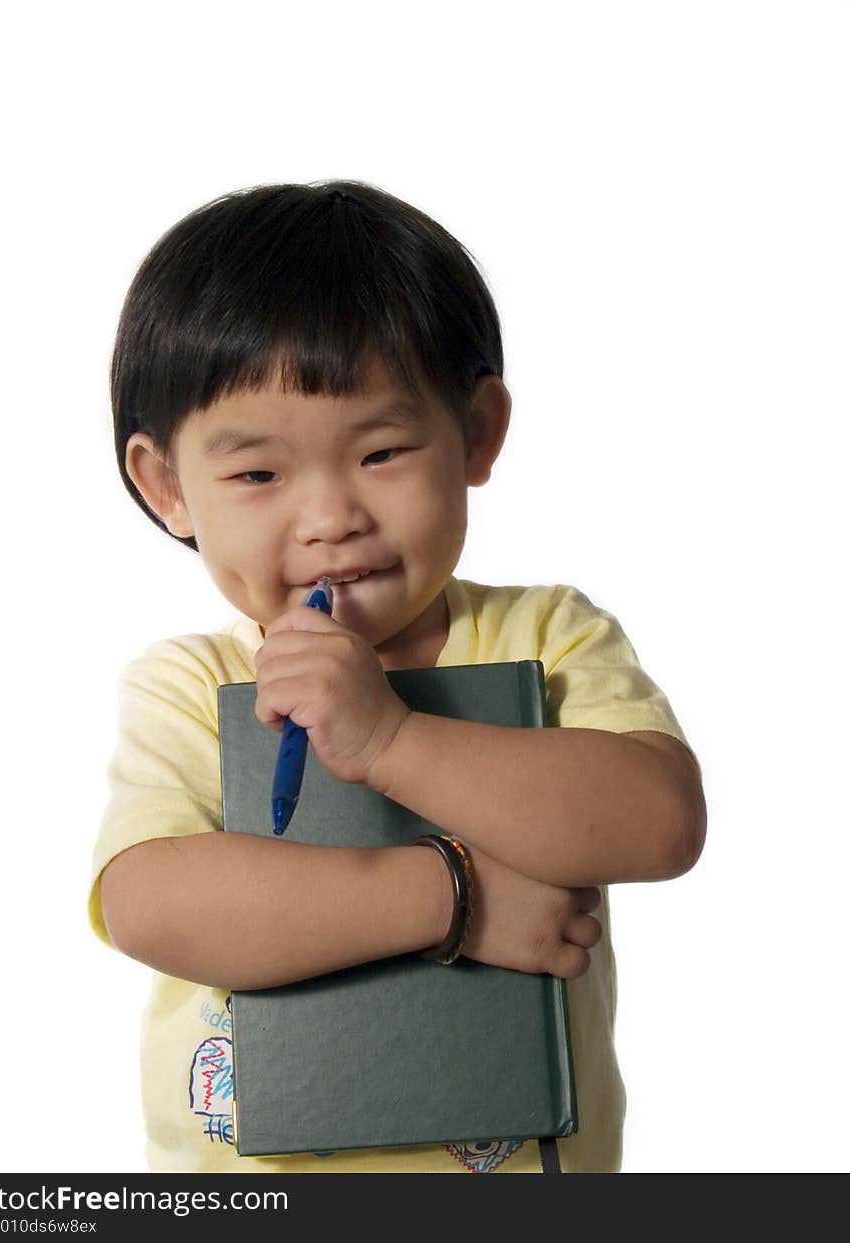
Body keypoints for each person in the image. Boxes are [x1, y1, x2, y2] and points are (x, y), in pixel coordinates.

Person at [90, 180, 706, 1175]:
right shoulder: (189, 684)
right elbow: (149, 903)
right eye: (257, 474)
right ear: (168, 488)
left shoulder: (547, 632)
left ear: (474, 434)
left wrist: (390, 740)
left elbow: (657, 821)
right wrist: (449, 900)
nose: (330, 515)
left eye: (381, 451)